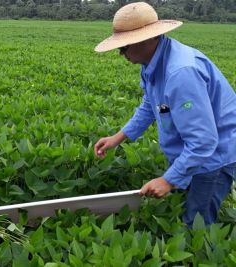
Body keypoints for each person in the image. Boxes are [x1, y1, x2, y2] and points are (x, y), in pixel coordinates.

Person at [93, 2, 236, 227]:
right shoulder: (152, 62)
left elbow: (204, 141)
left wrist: (168, 180)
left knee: (196, 224)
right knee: (185, 208)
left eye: (125, 47)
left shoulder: (180, 73)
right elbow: (152, 105)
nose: (122, 54)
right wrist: (118, 138)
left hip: (213, 159)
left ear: (149, 39)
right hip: (194, 153)